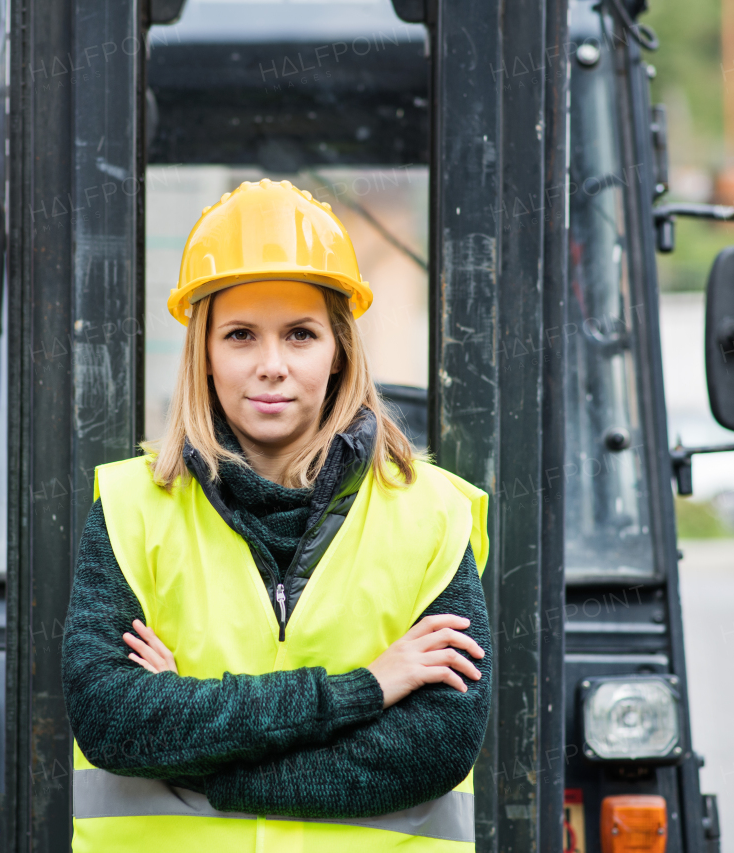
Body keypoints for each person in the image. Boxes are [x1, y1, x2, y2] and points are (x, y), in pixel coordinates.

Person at [61, 178, 492, 852]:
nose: (271, 366)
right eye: (240, 335)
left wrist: (199, 757)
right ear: (203, 352)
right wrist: (367, 688)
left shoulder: (430, 515)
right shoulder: (131, 509)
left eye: (299, 334)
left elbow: (432, 748)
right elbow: (114, 721)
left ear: (339, 349)